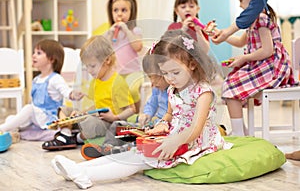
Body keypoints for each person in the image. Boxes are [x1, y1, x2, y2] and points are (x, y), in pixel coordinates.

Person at [51, 30, 233, 189]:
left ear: (192, 65)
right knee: (133, 152)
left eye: (175, 72)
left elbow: (196, 127)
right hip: (174, 135)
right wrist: (162, 125)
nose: (169, 78)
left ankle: (87, 176)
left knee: (142, 160)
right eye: (165, 73)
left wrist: (175, 141)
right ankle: (78, 168)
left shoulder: (203, 92)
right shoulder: (173, 88)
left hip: (194, 141)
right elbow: (169, 114)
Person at [221, 0, 297, 136]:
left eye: (241, 0)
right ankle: (240, 131)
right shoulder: (253, 20)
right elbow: (239, 42)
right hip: (261, 66)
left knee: (230, 86)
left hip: (271, 68)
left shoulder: (261, 19)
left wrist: (244, 58)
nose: (240, 5)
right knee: (229, 83)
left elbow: (268, 51)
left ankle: (239, 133)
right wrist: (222, 35)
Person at [42, 35, 136, 150]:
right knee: (64, 109)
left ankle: (76, 137)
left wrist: (115, 117)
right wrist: (81, 113)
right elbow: (96, 104)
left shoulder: (117, 83)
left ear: (107, 60)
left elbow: (131, 109)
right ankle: (66, 134)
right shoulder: (96, 81)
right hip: (95, 116)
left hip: (108, 122)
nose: (89, 70)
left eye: (92, 66)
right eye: (87, 66)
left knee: (90, 123)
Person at [80, 44, 169, 160]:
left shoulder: (173, 92)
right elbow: (151, 104)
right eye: (149, 78)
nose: (152, 83)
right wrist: (146, 114)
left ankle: (124, 151)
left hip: (160, 130)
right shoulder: (157, 89)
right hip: (148, 126)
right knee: (118, 126)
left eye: (155, 78)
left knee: (142, 141)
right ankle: (107, 147)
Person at [0, 39, 84, 141]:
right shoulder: (36, 79)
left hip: (49, 119)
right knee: (11, 118)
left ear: (51, 59)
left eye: (38, 53)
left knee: (28, 109)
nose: (33, 55)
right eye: (34, 52)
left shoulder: (55, 78)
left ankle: (2, 129)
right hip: (36, 119)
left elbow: (66, 91)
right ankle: (13, 132)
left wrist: (73, 94)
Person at [104, 0, 144, 112]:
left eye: (124, 10)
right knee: (116, 94)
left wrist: (126, 30)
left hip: (133, 72)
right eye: (115, 10)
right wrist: (110, 33)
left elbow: (138, 47)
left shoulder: (135, 31)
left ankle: (136, 113)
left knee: (132, 90)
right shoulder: (111, 33)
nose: (119, 14)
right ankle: (123, 116)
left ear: (131, 13)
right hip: (117, 73)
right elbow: (103, 49)